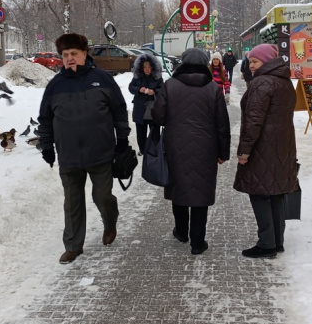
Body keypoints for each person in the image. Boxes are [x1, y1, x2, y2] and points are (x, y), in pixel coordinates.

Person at [37, 33, 131, 264]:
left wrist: (122, 140)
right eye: (65, 55)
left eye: (74, 54)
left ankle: (110, 223)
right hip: (68, 156)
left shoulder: (102, 79)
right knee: (72, 203)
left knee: (102, 197)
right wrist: (47, 146)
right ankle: (73, 245)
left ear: (84, 54)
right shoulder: (55, 85)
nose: (69, 58)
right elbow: (45, 119)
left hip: (100, 153)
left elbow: (119, 110)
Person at [152, 48, 231, 255]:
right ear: (205, 64)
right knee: (200, 192)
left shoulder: (170, 85)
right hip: (206, 147)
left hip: (175, 146)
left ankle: (181, 232)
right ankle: (198, 242)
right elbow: (222, 123)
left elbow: (158, 117)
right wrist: (223, 152)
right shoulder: (213, 88)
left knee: (179, 188)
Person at [233, 43, 299, 259]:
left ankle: (266, 243)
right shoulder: (284, 82)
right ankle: (277, 241)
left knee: (260, 194)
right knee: (276, 194)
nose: (251, 65)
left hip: (263, 148)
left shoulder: (262, 83)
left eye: (255, 61)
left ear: (267, 62)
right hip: (282, 147)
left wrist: (244, 151)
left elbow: (253, 122)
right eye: (250, 61)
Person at [128, 53, 164, 156]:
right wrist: (139, 90)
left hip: (153, 109)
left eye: (149, 67)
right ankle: (143, 149)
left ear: (153, 68)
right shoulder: (137, 78)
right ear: (142, 68)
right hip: (140, 109)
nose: (147, 69)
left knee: (155, 131)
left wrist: (155, 92)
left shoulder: (157, 78)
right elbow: (131, 88)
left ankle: (154, 149)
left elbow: (162, 89)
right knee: (141, 132)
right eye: (145, 67)